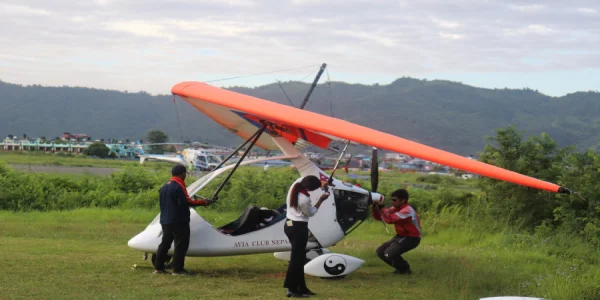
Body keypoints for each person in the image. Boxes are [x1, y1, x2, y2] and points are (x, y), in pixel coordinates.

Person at [153, 164, 214, 276]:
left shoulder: (164, 187)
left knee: (165, 244)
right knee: (181, 245)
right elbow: (185, 202)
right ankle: (177, 270)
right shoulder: (179, 186)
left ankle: (158, 268)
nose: (185, 176)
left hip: (165, 220)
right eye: (185, 174)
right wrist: (203, 202)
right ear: (182, 174)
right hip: (179, 221)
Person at [283, 175, 329, 298]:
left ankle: (302, 288)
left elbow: (303, 177)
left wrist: (321, 184)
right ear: (310, 189)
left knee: (299, 257)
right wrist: (321, 199)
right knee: (297, 259)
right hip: (298, 228)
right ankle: (291, 289)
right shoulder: (304, 199)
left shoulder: (295, 186)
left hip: (289, 224)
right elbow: (311, 213)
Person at [372, 188, 421, 275]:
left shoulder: (407, 211)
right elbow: (381, 217)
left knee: (388, 253)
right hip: (401, 236)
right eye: (392, 200)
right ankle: (401, 269)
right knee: (380, 251)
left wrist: (382, 207)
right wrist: (375, 208)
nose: (392, 202)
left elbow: (391, 218)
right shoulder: (396, 208)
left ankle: (405, 269)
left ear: (403, 200)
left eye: (395, 200)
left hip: (412, 238)